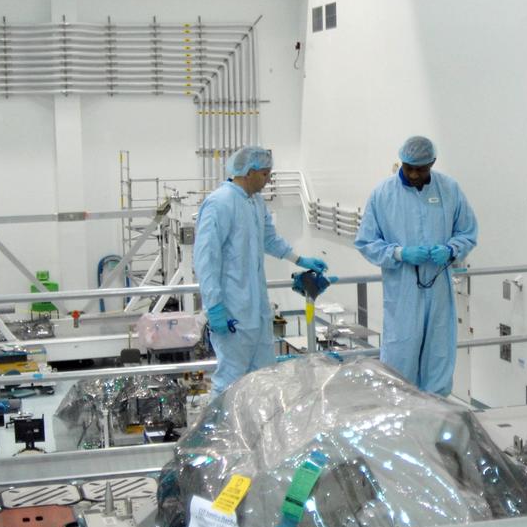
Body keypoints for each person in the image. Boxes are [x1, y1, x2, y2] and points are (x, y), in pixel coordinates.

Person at [195, 146, 328, 394]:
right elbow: (206, 258)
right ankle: (223, 432)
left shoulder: (255, 203)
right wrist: (213, 306)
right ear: (248, 172)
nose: (268, 180)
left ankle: (257, 431)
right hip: (232, 309)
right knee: (230, 382)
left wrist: (300, 260)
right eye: (265, 174)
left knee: (264, 379)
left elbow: (270, 240)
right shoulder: (220, 203)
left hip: (257, 310)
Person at [355, 136, 478, 395]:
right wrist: (399, 253)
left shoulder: (449, 190)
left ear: (432, 163)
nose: (412, 173)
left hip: (439, 288)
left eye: (420, 169)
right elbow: (366, 242)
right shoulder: (382, 194)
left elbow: (467, 231)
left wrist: (451, 249)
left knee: (439, 352)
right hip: (402, 291)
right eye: (408, 166)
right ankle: (400, 417)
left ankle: (435, 418)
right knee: (401, 353)